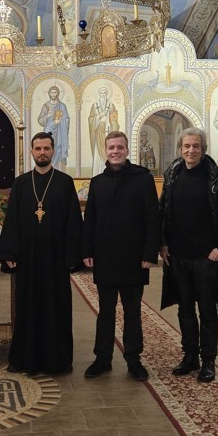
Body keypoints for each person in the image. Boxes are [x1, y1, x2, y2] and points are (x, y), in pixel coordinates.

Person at [159, 128, 218, 383]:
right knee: (185, 310)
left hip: (207, 259)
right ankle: (190, 356)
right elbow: (163, 211)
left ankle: (208, 360)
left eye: (196, 146)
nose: (191, 150)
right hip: (179, 257)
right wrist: (163, 243)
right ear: (180, 149)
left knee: (207, 312)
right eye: (186, 146)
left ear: (203, 148)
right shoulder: (172, 176)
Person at [0, 132, 83, 375]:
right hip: (28, 259)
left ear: (53, 151)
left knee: (57, 308)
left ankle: (58, 360)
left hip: (56, 259)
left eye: (46, 148)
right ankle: (25, 359)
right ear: (32, 152)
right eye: (38, 148)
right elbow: (12, 220)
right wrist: (10, 252)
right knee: (27, 308)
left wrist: (72, 256)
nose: (42, 152)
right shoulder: (21, 183)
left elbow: (73, 221)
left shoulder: (65, 182)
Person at [82, 131, 160, 381]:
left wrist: (150, 253)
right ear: (105, 151)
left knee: (132, 311)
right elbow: (90, 219)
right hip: (105, 257)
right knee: (105, 311)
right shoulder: (97, 182)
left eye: (119, 147)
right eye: (111, 148)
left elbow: (152, 218)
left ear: (127, 150)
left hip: (134, 258)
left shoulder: (143, 178)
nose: (115, 151)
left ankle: (134, 360)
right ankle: (102, 358)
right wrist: (87, 250)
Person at [87, 86, 119, 175]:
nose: (103, 95)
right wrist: (99, 116)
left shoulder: (111, 105)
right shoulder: (95, 106)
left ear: (107, 94)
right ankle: (97, 173)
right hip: (98, 135)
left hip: (108, 133)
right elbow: (90, 119)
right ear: (99, 94)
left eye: (104, 93)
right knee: (98, 154)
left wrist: (111, 123)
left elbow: (114, 119)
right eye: (101, 93)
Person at [37, 86, 70, 171]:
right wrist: (47, 116)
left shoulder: (62, 106)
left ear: (58, 93)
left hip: (60, 132)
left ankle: (59, 170)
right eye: (52, 92)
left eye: (55, 92)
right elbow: (40, 120)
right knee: (48, 147)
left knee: (58, 149)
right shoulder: (46, 106)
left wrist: (61, 121)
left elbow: (66, 118)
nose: (53, 94)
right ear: (49, 94)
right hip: (49, 130)